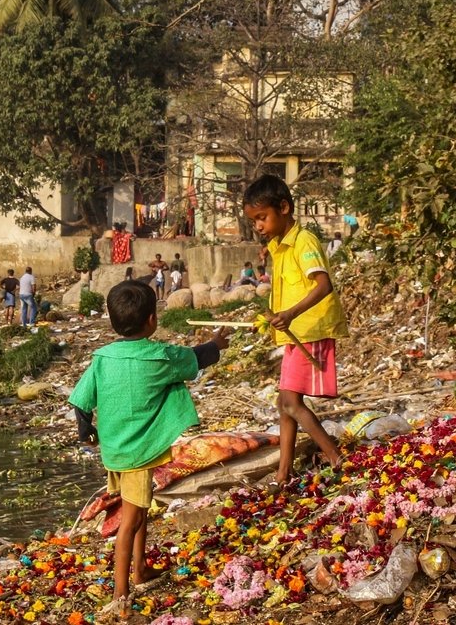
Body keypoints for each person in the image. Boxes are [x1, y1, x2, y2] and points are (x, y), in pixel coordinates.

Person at [69, 280, 229, 617]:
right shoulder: (160, 356)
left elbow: (81, 400)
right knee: (131, 519)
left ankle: (139, 570)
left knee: (140, 509)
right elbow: (195, 359)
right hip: (138, 453)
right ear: (152, 320)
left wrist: (87, 430)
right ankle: (121, 593)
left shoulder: (103, 357)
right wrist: (217, 343)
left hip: (115, 449)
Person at [242, 174, 348, 482]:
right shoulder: (279, 246)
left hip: (310, 328)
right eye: (254, 221)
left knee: (290, 402)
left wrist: (290, 313)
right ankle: (283, 472)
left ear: (284, 208)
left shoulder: (304, 242)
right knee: (284, 403)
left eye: (262, 218)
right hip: (295, 331)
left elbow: (323, 284)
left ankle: (334, 455)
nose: (258, 226)